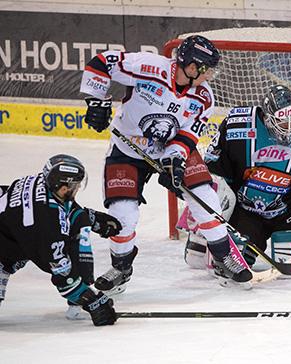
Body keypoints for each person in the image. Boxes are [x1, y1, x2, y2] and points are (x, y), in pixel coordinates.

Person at [79, 35, 252, 293]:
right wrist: (95, 100)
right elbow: (102, 62)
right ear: (192, 68)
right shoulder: (148, 67)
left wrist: (174, 159)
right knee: (123, 215)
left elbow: (187, 136)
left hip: (169, 149)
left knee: (205, 196)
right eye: (208, 70)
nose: (210, 76)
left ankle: (223, 257)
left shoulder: (204, 97)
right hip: (127, 148)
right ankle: (121, 267)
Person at [186, 84, 291, 266]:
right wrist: (208, 215)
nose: (288, 127)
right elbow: (213, 169)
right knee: (237, 257)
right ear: (267, 117)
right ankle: (202, 239)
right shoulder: (237, 125)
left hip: (290, 208)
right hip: (246, 211)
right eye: (282, 121)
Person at [0, 154, 122, 326]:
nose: (77, 188)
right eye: (76, 185)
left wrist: (87, 218)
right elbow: (63, 275)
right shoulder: (46, 226)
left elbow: (59, 209)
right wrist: (90, 300)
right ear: (63, 188)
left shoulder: (40, 182)